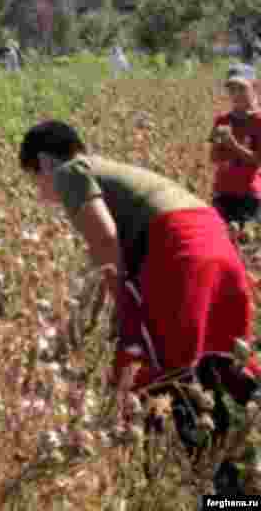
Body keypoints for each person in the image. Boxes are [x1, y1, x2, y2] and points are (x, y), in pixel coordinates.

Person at [18, 120, 261, 397]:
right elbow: (101, 265)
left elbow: (106, 240)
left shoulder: (68, 172)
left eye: (34, 179)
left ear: (44, 162)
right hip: (213, 237)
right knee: (224, 360)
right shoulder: (107, 170)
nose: (39, 194)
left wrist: (123, 307)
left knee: (163, 370)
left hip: (178, 246)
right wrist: (77, 330)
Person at [209, 63, 261, 227]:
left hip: (250, 196)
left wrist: (232, 144)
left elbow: (258, 161)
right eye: (232, 89)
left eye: (241, 88)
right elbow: (213, 158)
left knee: (246, 243)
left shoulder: (258, 121)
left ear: (254, 86)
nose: (236, 94)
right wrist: (219, 145)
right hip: (222, 193)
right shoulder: (222, 120)